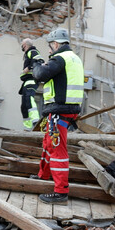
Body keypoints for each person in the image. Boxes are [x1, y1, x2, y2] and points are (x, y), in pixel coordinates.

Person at [32, 27, 84, 203]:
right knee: (48, 143)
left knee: (58, 150)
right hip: (66, 110)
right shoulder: (74, 59)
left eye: (49, 46)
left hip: (59, 111)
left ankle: (60, 191)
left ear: (55, 44)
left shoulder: (60, 58)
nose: (48, 51)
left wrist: (37, 62)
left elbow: (40, 75)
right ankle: (43, 175)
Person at [19, 38, 42, 130]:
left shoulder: (32, 51)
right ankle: (27, 127)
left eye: (22, 45)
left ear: (24, 45)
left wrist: (28, 67)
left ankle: (35, 120)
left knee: (29, 98)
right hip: (26, 81)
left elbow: (39, 61)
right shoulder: (28, 53)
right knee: (24, 105)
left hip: (31, 80)